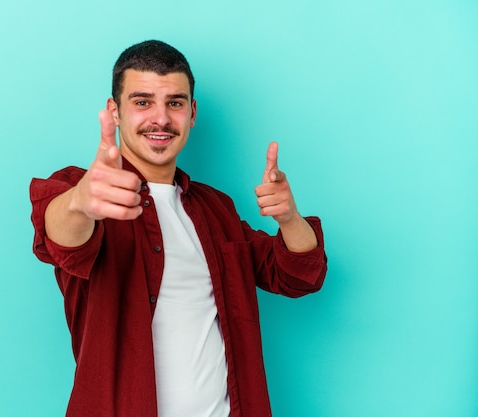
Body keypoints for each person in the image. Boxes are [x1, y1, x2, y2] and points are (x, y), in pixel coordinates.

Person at [30, 40, 327, 417]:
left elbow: (297, 276)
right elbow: (60, 238)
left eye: (175, 102)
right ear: (114, 111)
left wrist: (290, 218)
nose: (161, 119)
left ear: (192, 112)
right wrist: (80, 202)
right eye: (142, 102)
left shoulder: (216, 209)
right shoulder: (86, 192)